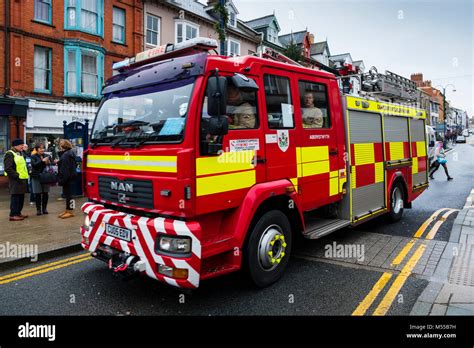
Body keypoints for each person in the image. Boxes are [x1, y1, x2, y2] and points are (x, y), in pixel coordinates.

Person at [3, 139, 29, 221]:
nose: (23, 146)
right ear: (15, 146)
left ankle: (18, 213)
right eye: (21, 145)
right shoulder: (9, 154)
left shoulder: (20, 153)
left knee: (21, 197)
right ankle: (13, 214)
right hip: (15, 179)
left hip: (22, 179)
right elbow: (8, 168)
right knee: (15, 197)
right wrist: (17, 176)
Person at [56, 139, 77, 219]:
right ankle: (68, 210)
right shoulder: (69, 153)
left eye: (60, 144)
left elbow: (65, 169)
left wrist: (62, 179)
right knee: (69, 195)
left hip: (68, 178)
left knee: (70, 195)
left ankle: (71, 211)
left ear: (62, 146)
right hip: (71, 177)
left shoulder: (66, 155)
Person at [30, 143, 51, 216]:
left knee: (45, 193)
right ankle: (38, 210)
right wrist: (42, 161)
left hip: (45, 177)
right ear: (36, 149)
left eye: (43, 148)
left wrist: (48, 162)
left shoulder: (46, 156)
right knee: (38, 194)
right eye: (40, 148)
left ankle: (44, 209)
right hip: (36, 177)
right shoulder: (33, 156)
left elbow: (49, 166)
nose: (42, 150)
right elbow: (34, 165)